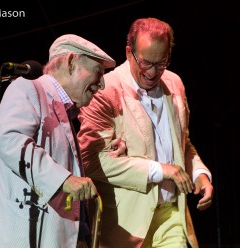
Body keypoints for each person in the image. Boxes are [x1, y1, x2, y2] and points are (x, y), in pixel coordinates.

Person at [0, 34, 117, 248]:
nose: (102, 84)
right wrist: (65, 180)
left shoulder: (64, 113)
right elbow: (11, 141)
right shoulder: (27, 88)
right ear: (71, 62)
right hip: (18, 238)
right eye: (98, 72)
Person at [77, 17, 214, 248]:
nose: (153, 72)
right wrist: (159, 170)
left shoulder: (175, 84)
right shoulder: (105, 90)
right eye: (146, 63)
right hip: (126, 225)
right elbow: (91, 160)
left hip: (172, 215)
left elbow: (184, 144)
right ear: (129, 53)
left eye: (161, 63)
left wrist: (200, 174)